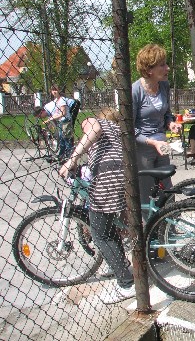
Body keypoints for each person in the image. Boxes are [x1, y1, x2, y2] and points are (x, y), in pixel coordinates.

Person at [59, 108, 135, 304]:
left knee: (100, 234)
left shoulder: (96, 122)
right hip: (121, 175)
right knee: (109, 229)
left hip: (106, 177)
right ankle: (122, 266)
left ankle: (127, 283)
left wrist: (71, 160)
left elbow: (92, 128)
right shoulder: (119, 130)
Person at [132, 44, 181, 205]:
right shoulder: (135, 91)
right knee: (146, 191)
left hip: (162, 145)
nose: (167, 68)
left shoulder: (164, 86)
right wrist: (152, 142)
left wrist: (170, 123)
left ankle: (170, 226)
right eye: (162, 65)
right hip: (144, 149)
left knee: (167, 188)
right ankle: (149, 228)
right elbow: (129, 129)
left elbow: (167, 113)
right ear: (149, 69)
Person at [34, 85, 74, 159]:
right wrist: (49, 124)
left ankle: (69, 156)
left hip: (65, 121)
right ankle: (62, 155)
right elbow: (55, 113)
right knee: (61, 140)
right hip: (61, 122)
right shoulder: (56, 101)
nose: (54, 91)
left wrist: (49, 119)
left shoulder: (62, 100)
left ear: (59, 90)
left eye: (55, 90)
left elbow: (63, 113)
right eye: (52, 90)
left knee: (66, 139)